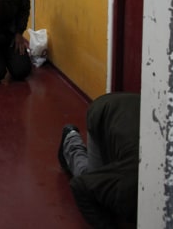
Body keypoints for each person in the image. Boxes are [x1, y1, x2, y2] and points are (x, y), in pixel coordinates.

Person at [57, 92, 140, 228]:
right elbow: (80, 186)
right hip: (103, 112)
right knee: (90, 178)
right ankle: (70, 139)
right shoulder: (128, 182)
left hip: (132, 109)